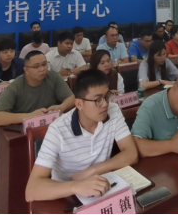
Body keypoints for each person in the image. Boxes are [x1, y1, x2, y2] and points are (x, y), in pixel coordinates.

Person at [25, 69, 138, 203]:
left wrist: (92, 171)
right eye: (98, 100)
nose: (105, 104)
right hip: (66, 195)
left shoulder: (113, 111)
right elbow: (31, 190)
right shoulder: (58, 130)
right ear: (79, 103)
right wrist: (76, 186)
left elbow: (131, 154)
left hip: (102, 186)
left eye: (107, 96)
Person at [0, 51, 75, 127]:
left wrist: (61, 107)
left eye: (44, 64)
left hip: (50, 126)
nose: (42, 69)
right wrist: (29, 116)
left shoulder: (53, 77)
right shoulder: (15, 86)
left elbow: (72, 98)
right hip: (24, 129)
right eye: (36, 67)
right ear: (26, 70)